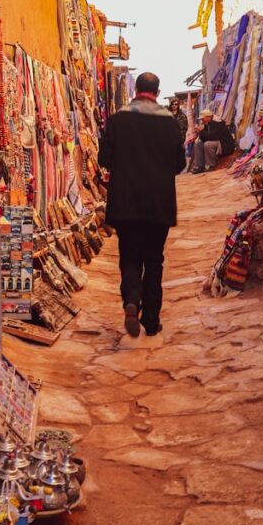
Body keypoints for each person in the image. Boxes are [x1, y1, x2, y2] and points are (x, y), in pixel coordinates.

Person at [98, 71, 185, 338]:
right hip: (159, 205)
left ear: (136, 90)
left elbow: (104, 159)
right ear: (158, 93)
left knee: (130, 256)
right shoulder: (170, 123)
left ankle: (131, 301)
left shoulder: (117, 120)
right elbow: (179, 165)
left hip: (125, 203)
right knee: (154, 260)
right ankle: (151, 319)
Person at [191, 109, 235, 173]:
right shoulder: (207, 124)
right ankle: (200, 166)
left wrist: (202, 131)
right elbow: (204, 138)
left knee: (208, 144)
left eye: (203, 118)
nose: (202, 120)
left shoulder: (218, 123)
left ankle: (211, 165)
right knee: (198, 145)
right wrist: (200, 133)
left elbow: (212, 137)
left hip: (225, 144)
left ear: (208, 117)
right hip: (216, 142)